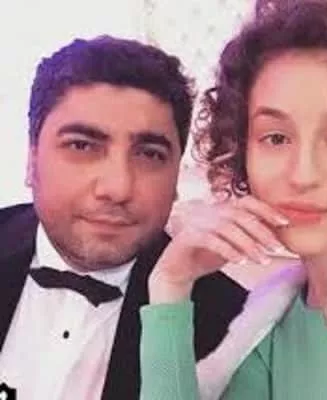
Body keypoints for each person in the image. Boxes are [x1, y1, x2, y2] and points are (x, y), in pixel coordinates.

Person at [139, 0, 327, 399]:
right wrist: (170, 285)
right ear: (242, 151)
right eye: (276, 138)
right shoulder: (267, 328)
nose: (302, 175)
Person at [0, 36, 250, 400]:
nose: (117, 188)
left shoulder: (234, 326)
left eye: (149, 154)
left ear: (176, 176)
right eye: (82, 146)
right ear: (31, 159)